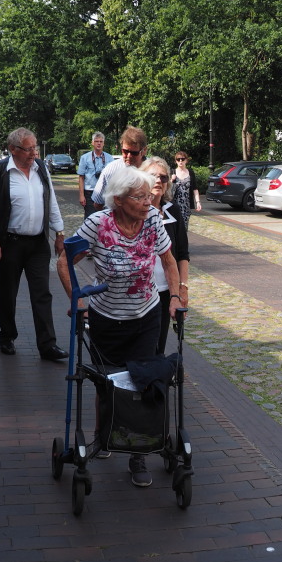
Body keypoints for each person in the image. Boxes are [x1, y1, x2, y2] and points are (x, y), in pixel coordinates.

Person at [58, 165, 184, 487]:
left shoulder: (152, 219)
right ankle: (104, 435)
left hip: (146, 315)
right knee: (107, 382)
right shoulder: (98, 224)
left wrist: (174, 297)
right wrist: (77, 300)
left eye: (147, 196)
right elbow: (63, 262)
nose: (147, 202)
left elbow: (169, 261)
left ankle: (137, 454)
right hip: (106, 318)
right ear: (119, 200)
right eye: (139, 197)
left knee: (140, 382)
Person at [0, 127, 69, 361]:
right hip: (10, 243)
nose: (33, 153)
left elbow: (52, 203)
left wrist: (59, 233)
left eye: (35, 148)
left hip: (38, 243)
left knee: (42, 294)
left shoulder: (41, 169)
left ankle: (47, 345)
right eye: (28, 149)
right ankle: (7, 336)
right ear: (13, 149)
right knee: (8, 293)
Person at [141, 157, 190, 352]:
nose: (158, 181)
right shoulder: (136, 211)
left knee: (158, 346)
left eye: (163, 177)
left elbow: (183, 253)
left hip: (164, 290)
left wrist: (181, 289)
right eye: (153, 176)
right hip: (139, 292)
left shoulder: (172, 211)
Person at [91, 126, 148, 207]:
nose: (129, 156)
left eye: (134, 153)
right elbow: (98, 203)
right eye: (125, 151)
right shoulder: (110, 170)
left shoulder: (153, 170)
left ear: (144, 150)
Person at [77, 132, 113, 215]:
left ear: (104, 143)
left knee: (105, 218)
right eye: (96, 141)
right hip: (90, 193)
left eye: (101, 141)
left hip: (105, 193)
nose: (99, 143)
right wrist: (81, 195)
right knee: (90, 217)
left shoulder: (109, 158)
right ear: (92, 143)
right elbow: (81, 177)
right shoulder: (85, 158)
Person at [170, 151, 201, 228]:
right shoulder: (172, 172)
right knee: (175, 226)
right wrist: (171, 180)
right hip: (175, 204)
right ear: (176, 161)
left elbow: (195, 189)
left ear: (186, 160)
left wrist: (198, 202)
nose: (180, 161)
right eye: (178, 159)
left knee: (184, 227)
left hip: (186, 205)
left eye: (182, 159)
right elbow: (166, 187)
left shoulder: (190, 173)